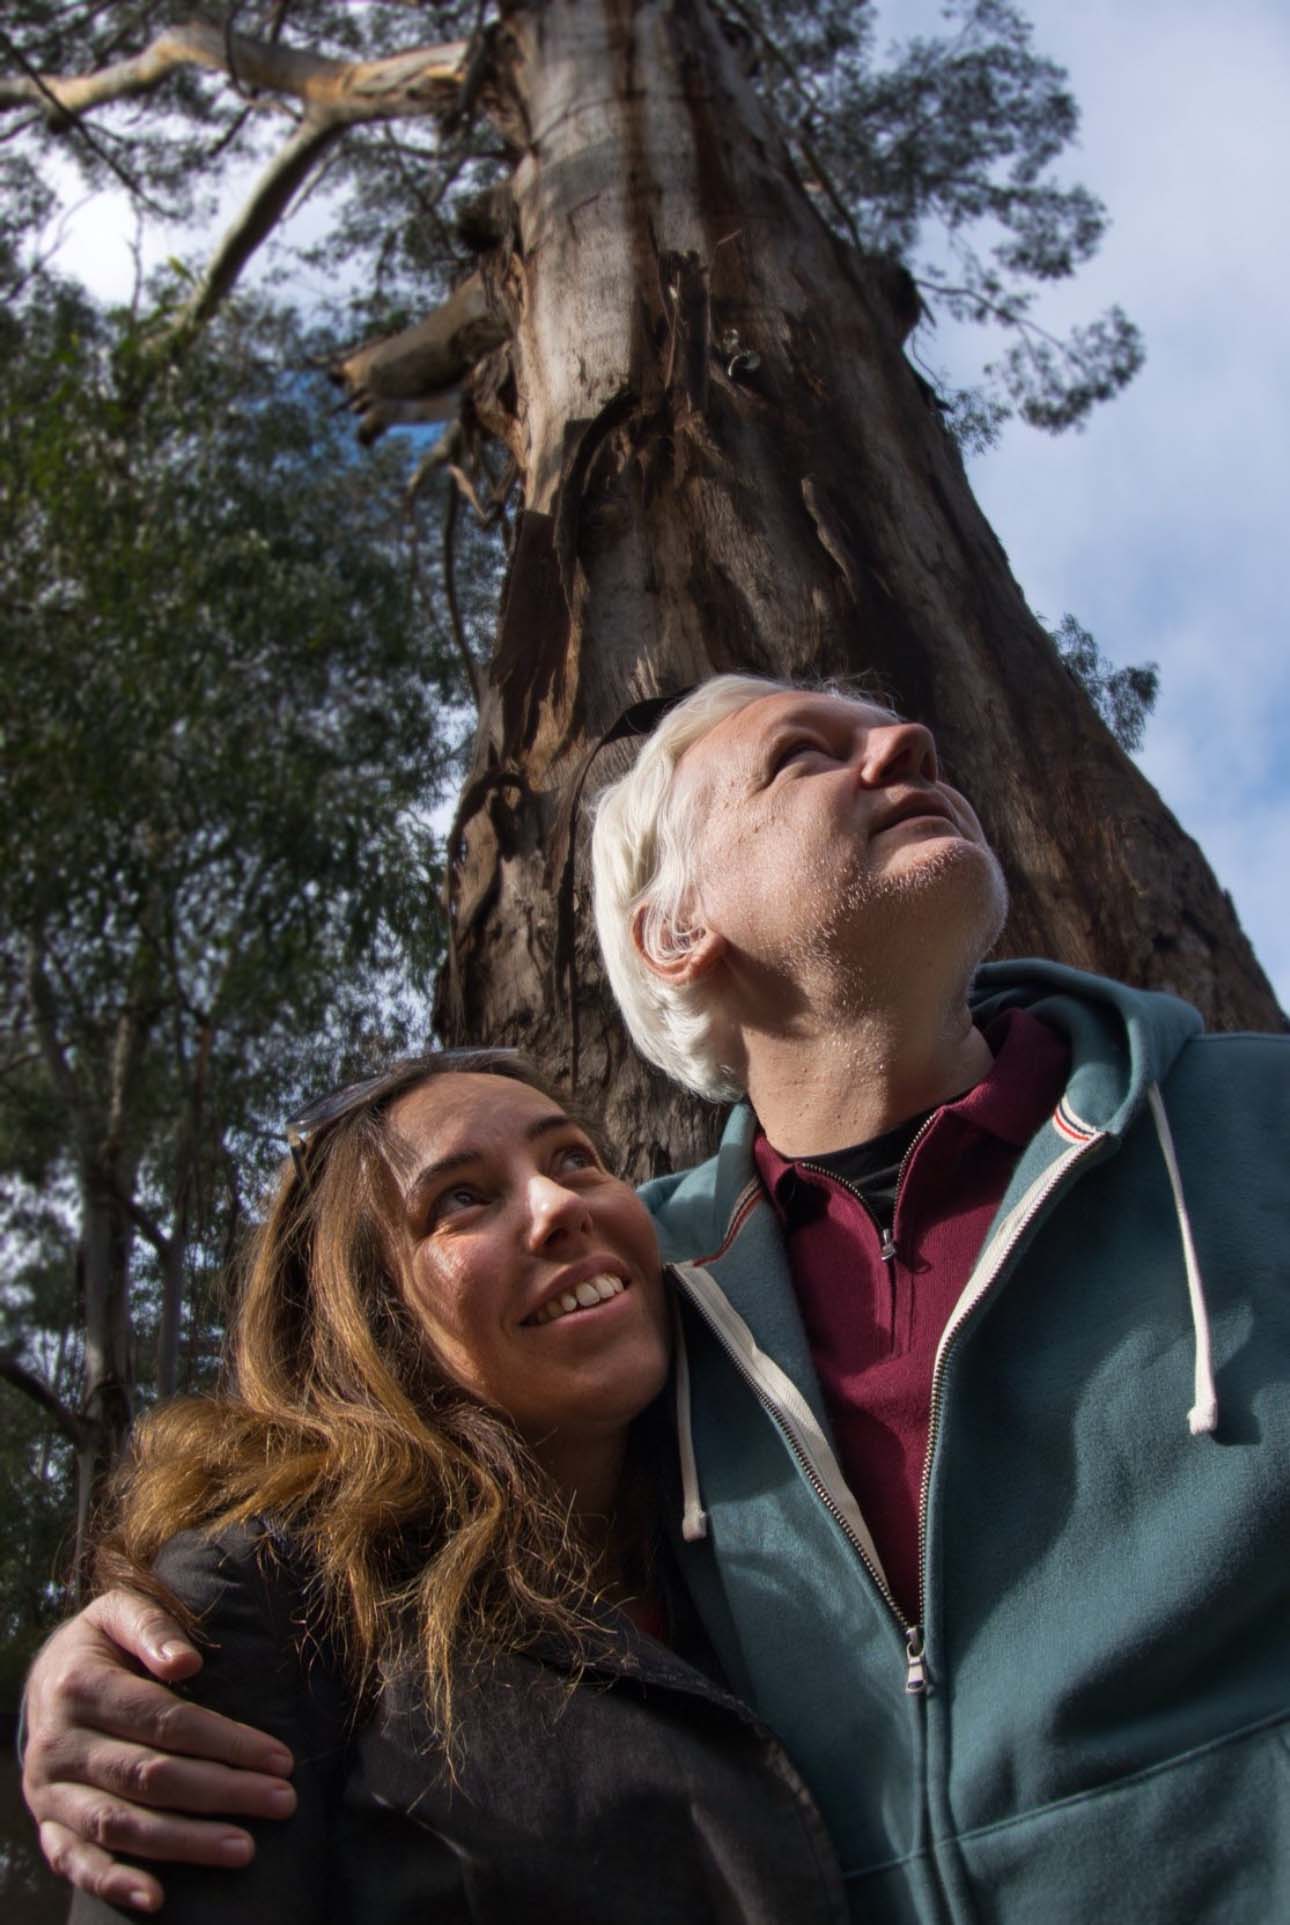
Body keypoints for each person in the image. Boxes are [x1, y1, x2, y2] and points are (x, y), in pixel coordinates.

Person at [24, 676, 1290, 1924]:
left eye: (574, 1158)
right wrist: (111, 1659)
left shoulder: (1252, 1125)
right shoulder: (656, 1291)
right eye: (802, 755)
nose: (912, 738)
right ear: (675, 931)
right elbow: (381, 1486)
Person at [45, 1045, 849, 1922]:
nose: (559, 1208)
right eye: (459, 1199)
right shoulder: (270, 1605)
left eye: (573, 1158)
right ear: (366, 1323)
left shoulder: (776, 1509)